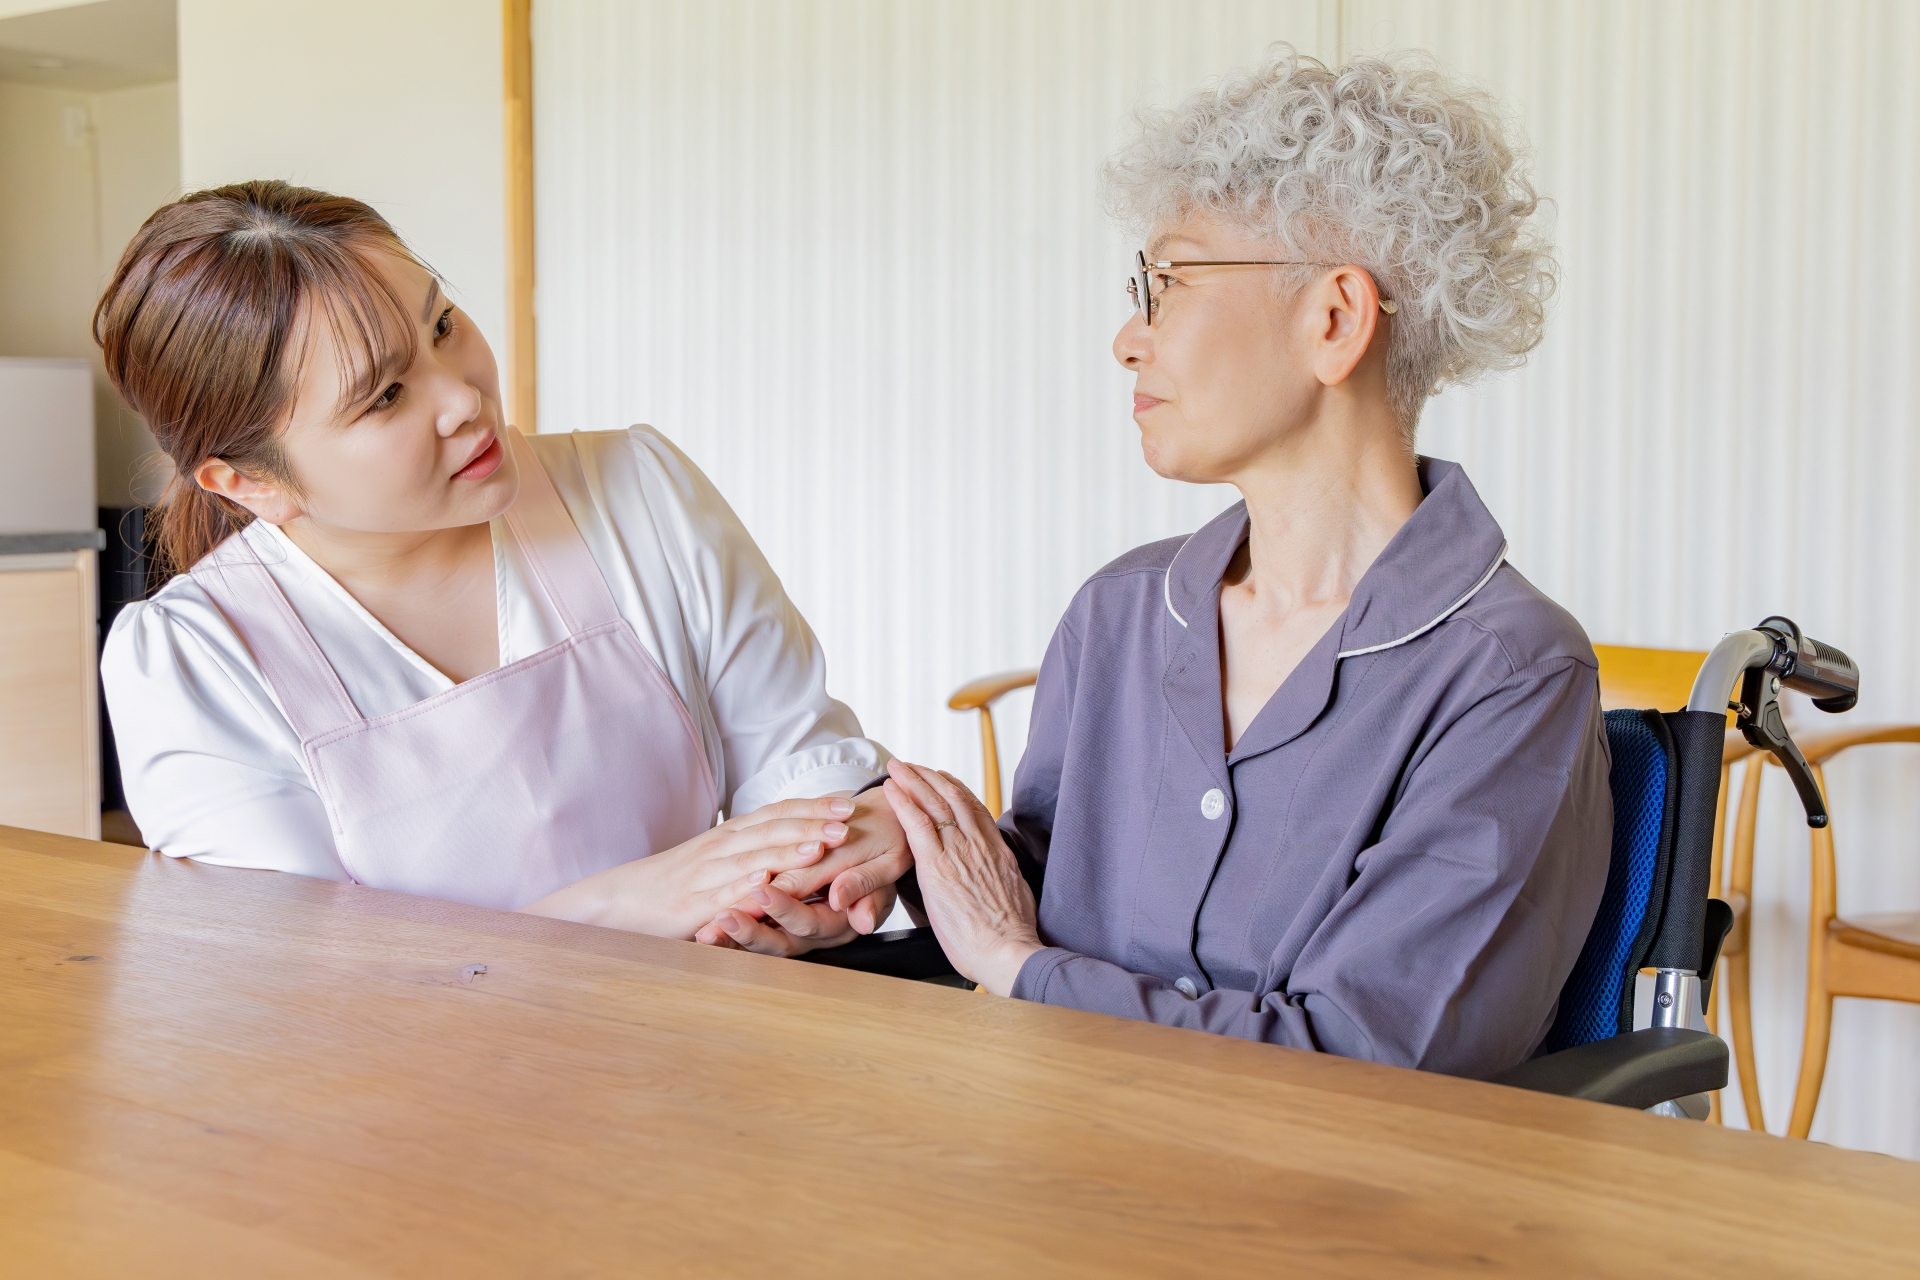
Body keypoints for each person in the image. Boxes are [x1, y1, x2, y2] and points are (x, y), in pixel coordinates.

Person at [876, 47, 1612, 1079]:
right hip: (1067, 1163)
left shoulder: (1511, 672)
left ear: (1335, 319)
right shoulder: (1119, 614)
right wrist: (902, 840)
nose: (1129, 338)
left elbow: (1366, 1060)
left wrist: (1018, 964)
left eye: (1166, 280)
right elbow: (1045, 884)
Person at [98, 181, 904, 951]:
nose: (463, 399)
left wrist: (826, 874)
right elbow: (300, 992)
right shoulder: (195, 662)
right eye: (384, 396)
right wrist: (627, 906)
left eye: (442, 326)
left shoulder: (636, 492)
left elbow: (802, 766)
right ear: (249, 482)